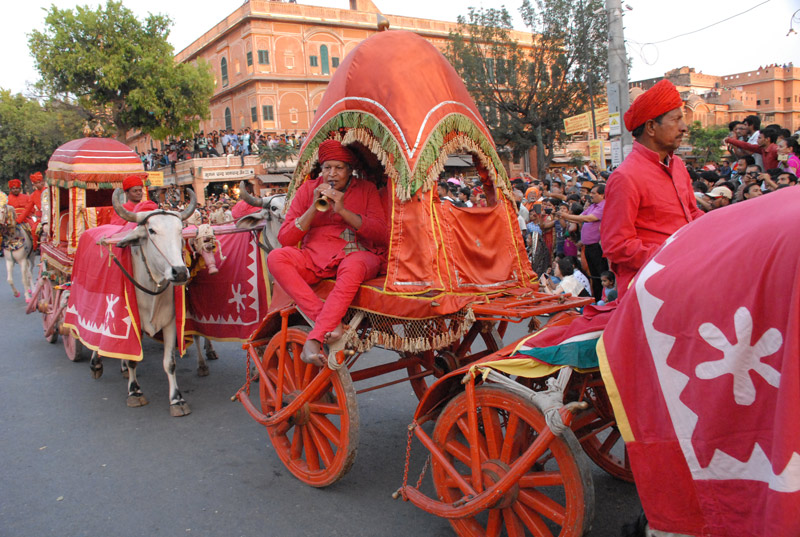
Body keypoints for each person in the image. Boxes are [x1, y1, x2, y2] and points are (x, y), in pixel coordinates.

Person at [267, 140, 388, 365]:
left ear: (349, 170)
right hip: (316, 258)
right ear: (321, 169)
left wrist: (342, 211)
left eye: (339, 168)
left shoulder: (366, 189)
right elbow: (285, 238)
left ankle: (315, 337)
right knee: (276, 257)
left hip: (359, 253)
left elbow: (381, 233)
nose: (332, 174)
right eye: (327, 168)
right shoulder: (307, 190)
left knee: (353, 266)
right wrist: (314, 207)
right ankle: (327, 321)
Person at [601, 79, 704, 298]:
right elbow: (617, 246)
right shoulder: (626, 177)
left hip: (686, 274)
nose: (684, 127)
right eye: (676, 119)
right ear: (650, 127)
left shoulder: (677, 166)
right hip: (650, 288)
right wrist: (673, 256)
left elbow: (692, 213)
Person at [559, 184, 608, 300]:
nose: (591, 195)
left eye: (594, 193)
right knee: (593, 275)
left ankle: (602, 298)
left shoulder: (603, 206)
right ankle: (595, 298)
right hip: (588, 246)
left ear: (602, 195)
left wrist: (565, 215)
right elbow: (580, 217)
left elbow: (588, 219)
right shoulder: (593, 206)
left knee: (600, 274)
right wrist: (563, 217)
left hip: (597, 246)